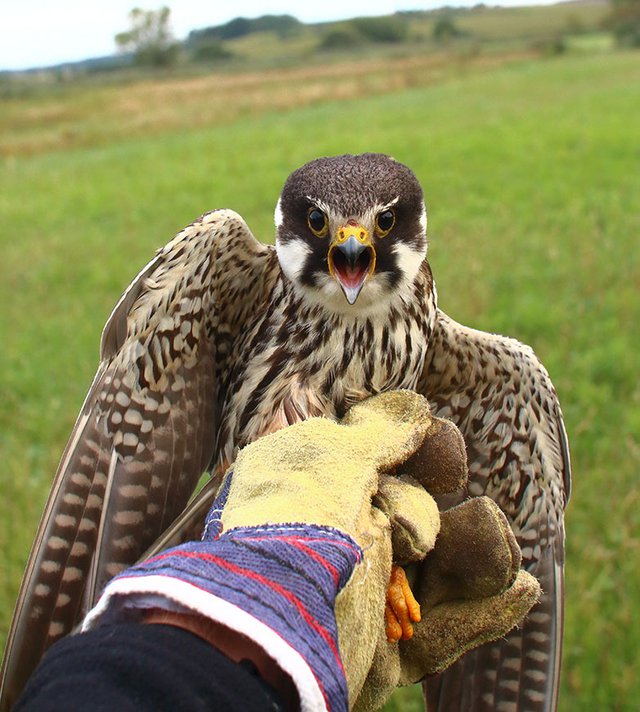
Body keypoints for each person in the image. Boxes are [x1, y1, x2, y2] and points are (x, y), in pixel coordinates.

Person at [14, 392, 539, 711]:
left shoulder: (479, 363)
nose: (352, 246)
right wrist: (273, 569)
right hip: (257, 483)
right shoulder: (234, 270)